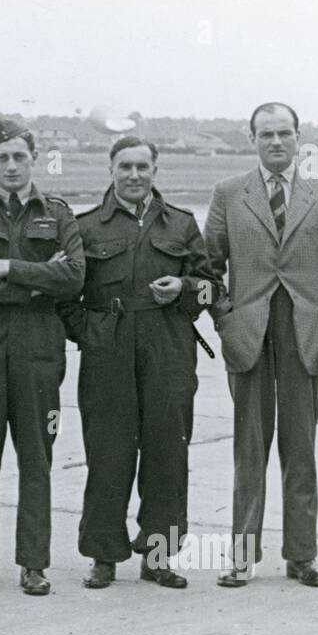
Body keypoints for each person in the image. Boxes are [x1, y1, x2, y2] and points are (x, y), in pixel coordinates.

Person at [203, 102, 318, 587]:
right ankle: (241, 557)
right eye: (266, 134)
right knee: (249, 451)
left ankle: (301, 555)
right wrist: (226, 319)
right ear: (251, 139)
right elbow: (207, 269)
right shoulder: (229, 193)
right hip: (249, 336)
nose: (276, 142)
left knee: (301, 449)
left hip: (306, 336)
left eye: (284, 133)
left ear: (299, 137)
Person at [59, 137, 221, 590]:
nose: (134, 175)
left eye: (142, 167)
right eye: (125, 167)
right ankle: (103, 555)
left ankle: (158, 556)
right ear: (111, 170)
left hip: (168, 348)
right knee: (107, 454)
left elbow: (212, 288)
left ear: (155, 170)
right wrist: (90, 333)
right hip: (107, 352)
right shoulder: (86, 226)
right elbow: (64, 295)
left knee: (168, 455)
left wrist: (185, 288)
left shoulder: (182, 224)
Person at [0, 114, 84, 596]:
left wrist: (7, 267)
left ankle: (34, 565)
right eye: (2, 157)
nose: (11, 166)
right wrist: (36, 281)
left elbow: (75, 277)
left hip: (39, 349)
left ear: (34, 160)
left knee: (36, 460)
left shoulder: (58, 214)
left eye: (19, 156)